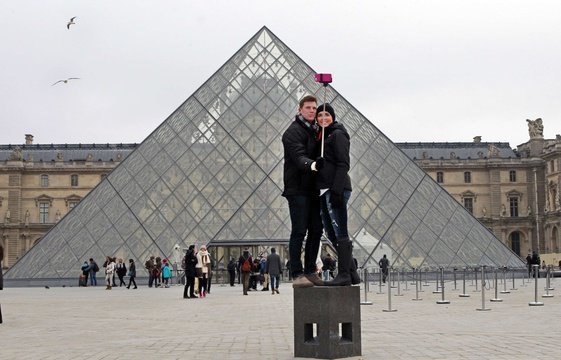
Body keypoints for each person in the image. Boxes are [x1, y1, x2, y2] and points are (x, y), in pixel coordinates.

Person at [281, 94, 325, 288]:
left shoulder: (317, 132)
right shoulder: (292, 132)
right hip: (297, 188)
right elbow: (299, 157)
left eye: (314, 108)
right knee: (299, 231)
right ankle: (297, 273)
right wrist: (314, 165)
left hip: (313, 189)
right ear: (300, 110)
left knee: (317, 229)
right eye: (308, 107)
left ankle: (310, 271)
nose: (312, 110)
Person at [315, 103, 359, 286]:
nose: (323, 118)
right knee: (332, 232)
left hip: (335, 189)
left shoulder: (338, 134)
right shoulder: (323, 136)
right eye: (320, 115)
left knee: (340, 232)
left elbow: (343, 163)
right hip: (325, 189)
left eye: (327, 114)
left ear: (333, 116)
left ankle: (344, 275)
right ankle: (352, 273)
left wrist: (336, 190)